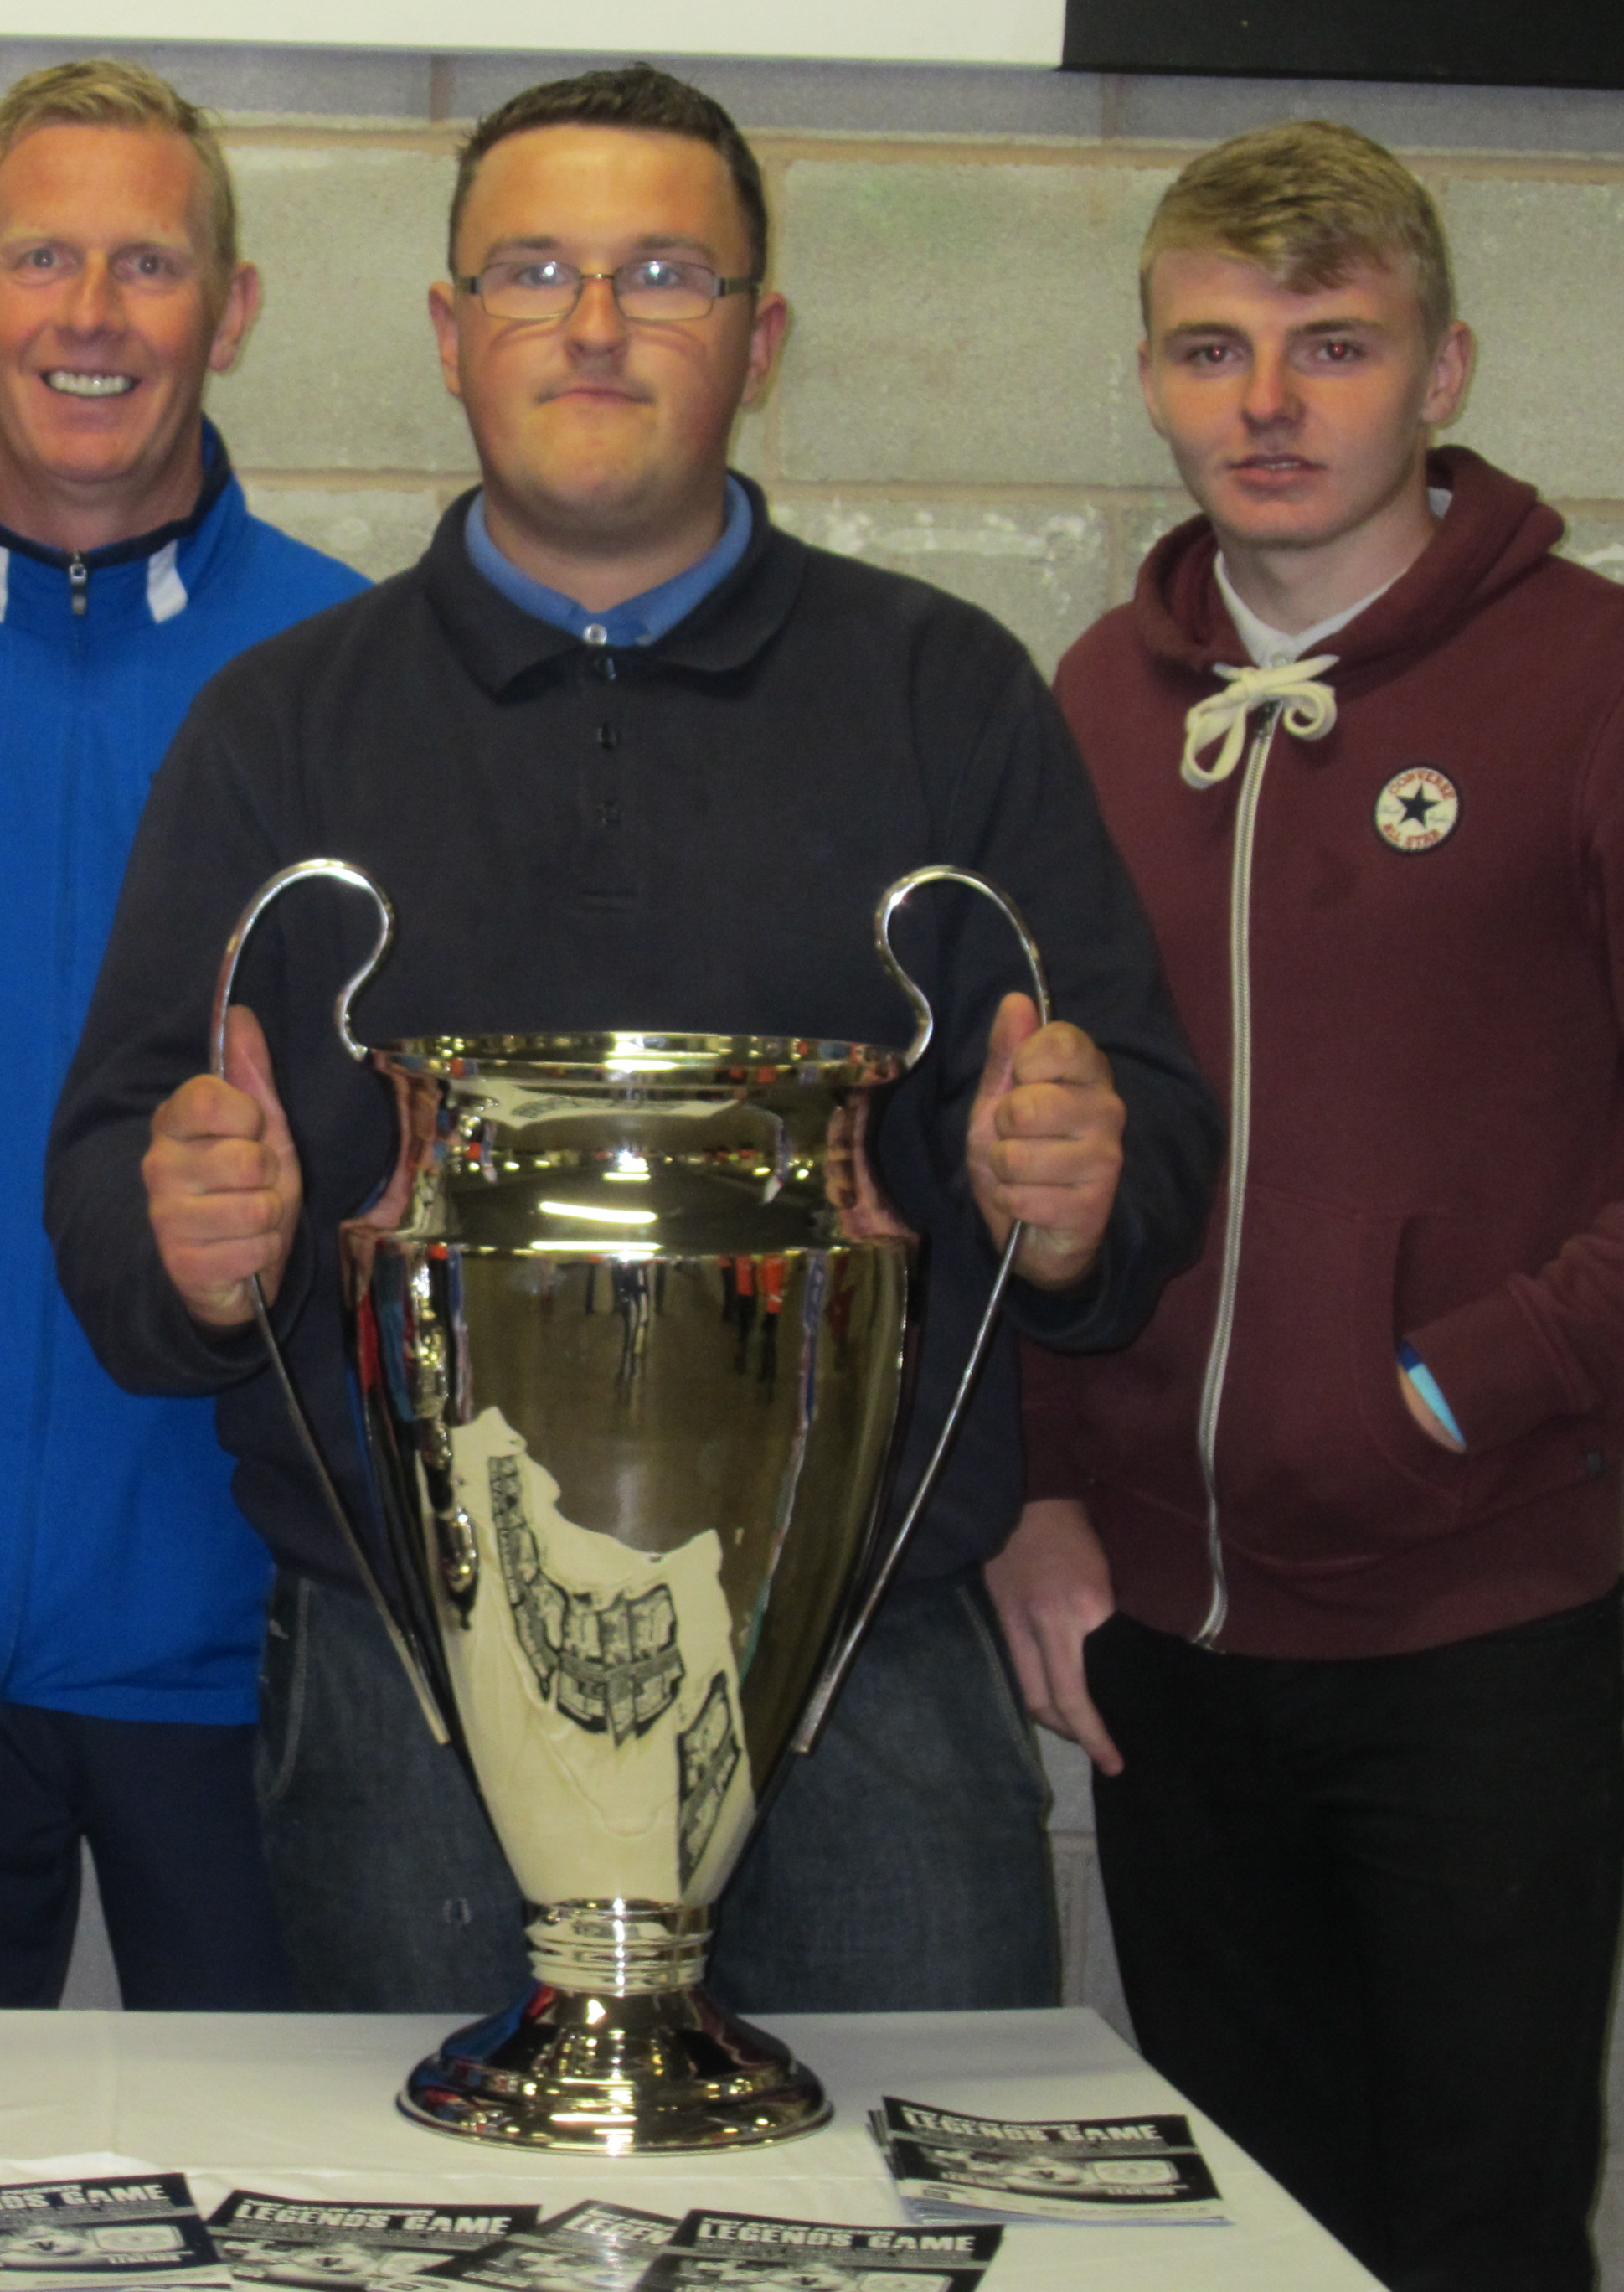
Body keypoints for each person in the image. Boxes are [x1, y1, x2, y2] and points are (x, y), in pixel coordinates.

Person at [45, 64, 1214, 2016]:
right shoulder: (283, 726)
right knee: (435, 2223)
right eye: (533, 273)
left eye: (662, 273)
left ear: (761, 340)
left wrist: (1078, 1198)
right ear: (449, 334)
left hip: (871, 1677)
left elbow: (1148, 1141)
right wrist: (182, 1246)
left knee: (904, 2214)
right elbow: (109, 1171)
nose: (593, 328)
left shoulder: (947, 695)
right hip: (411, 1689)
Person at [987, 120, 1624, 2292]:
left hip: (1489, 1622)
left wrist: (1465, 1385)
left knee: (1474, 2234)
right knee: (1245, 2239)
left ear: (1445, 374)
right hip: (1177, 1643)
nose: (1266, 406)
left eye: (1331, 347)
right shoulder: (1089, 703)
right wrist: (1054, 1493)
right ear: (1152, 375)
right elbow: (1037, 1140)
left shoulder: (1589, 684)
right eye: (1213, 348)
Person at [0, 59, 363, 2011]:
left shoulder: (361, 681)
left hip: (265, 1625)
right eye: (42, 258)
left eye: (149, 263)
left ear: (235, 306)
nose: (92, 316)